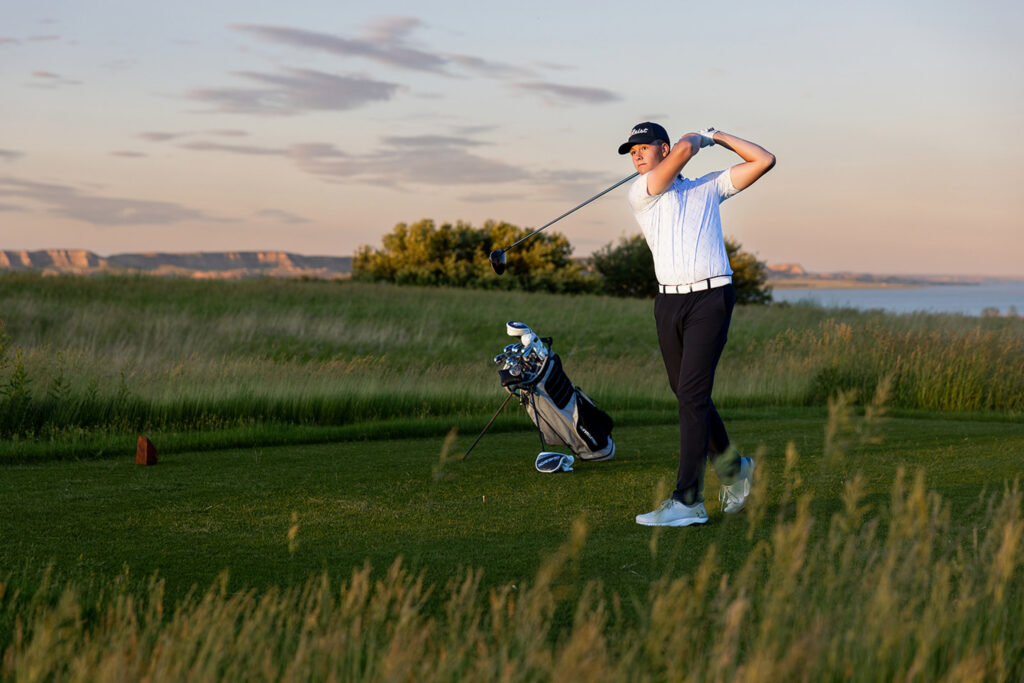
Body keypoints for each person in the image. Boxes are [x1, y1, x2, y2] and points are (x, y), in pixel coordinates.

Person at [618, 122, 775, 526]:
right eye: (630, 150)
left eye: (643, 147)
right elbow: (686, 149)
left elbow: (764, 160)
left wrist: (719, 136)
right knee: (688, 394)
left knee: (690, 394)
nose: (635, 154)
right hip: (668, 303)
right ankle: (735, 470)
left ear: (662, 148)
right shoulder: (642, 192)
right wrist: (697, 138)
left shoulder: (708, 187)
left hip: (711, 298)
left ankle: (687, 501)